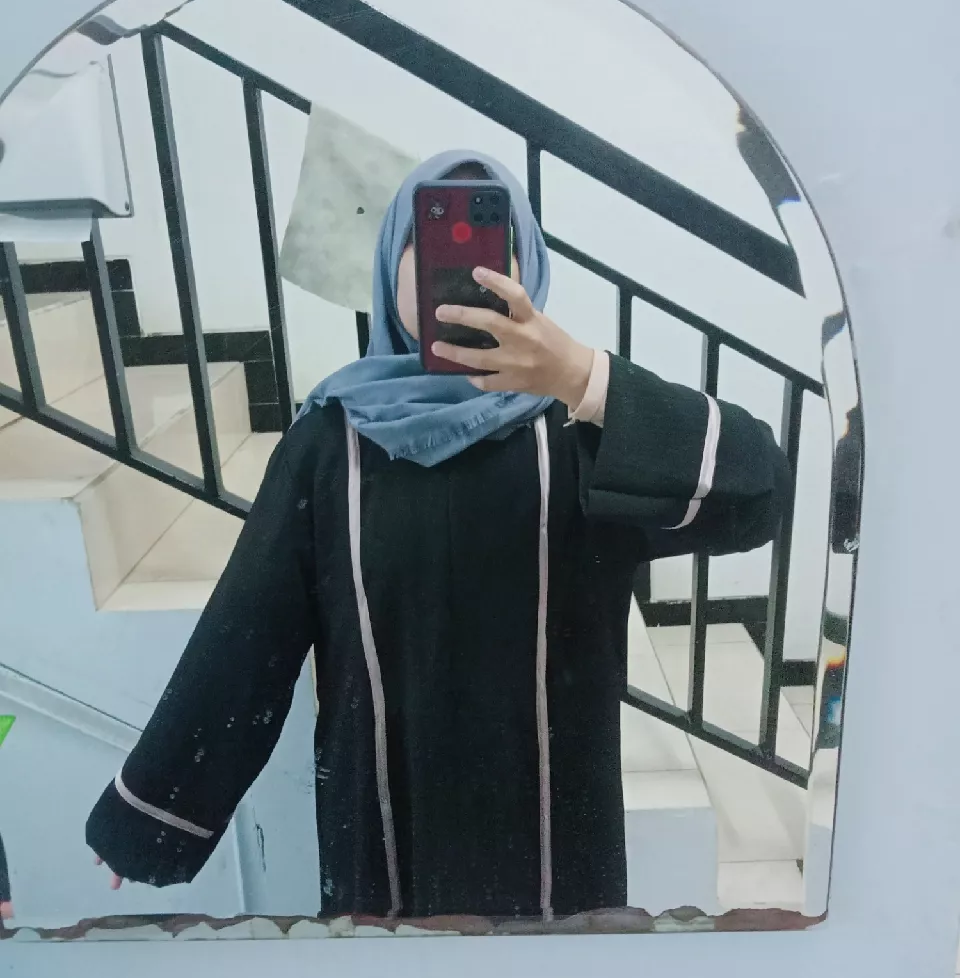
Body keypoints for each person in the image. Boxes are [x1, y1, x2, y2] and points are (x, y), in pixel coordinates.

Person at [86, 151, 790, 921]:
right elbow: (248, 634)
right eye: (424, 241)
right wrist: (148, 814)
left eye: (492, 245)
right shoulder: (332, 442)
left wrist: (585, 378)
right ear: (389, 264)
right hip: (387, 843)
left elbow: (760, 494)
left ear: (526, 272)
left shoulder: (581, 441)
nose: (457, 271)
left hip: (556, 849)